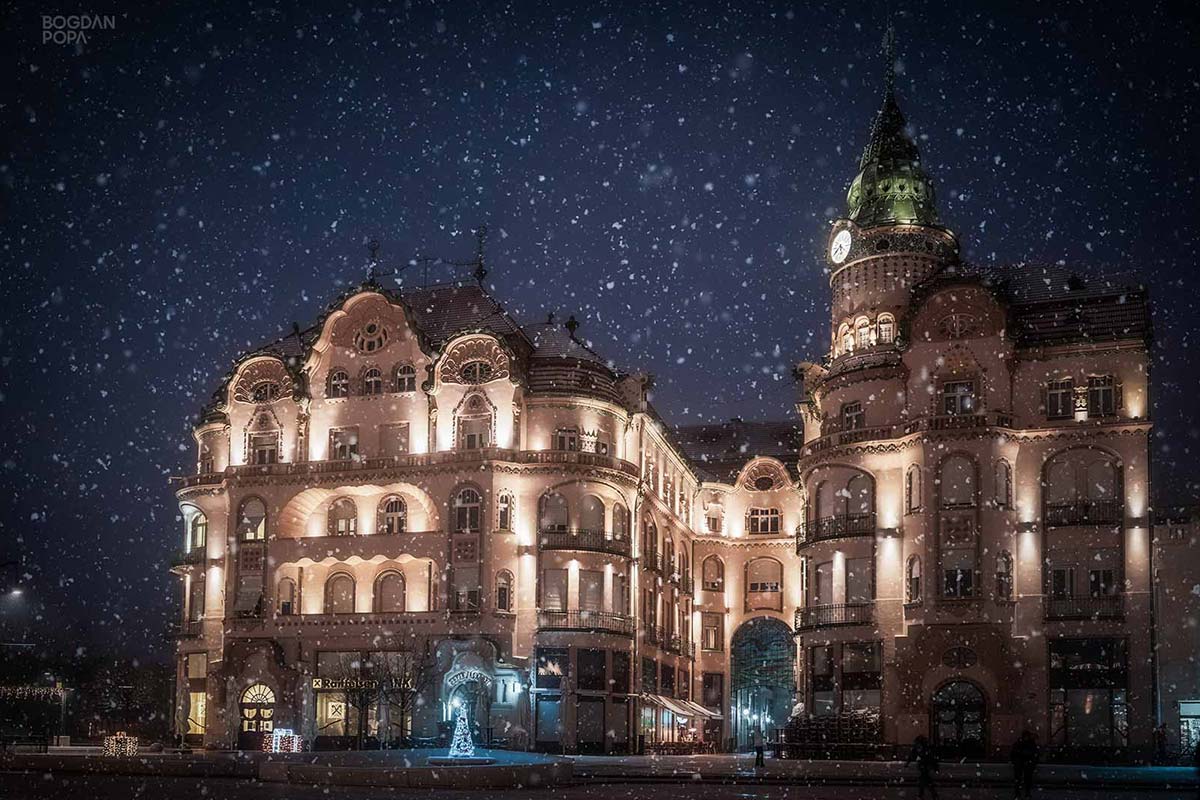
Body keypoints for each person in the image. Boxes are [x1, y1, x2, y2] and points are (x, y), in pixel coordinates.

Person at [906, 735, 939, 800]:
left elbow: (913, 754)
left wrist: (908, 763)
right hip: (924, 766)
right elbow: (932, 759)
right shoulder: (925, 748)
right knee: (925, 780)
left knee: (924, 780)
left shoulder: (921, 748)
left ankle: (924, 795)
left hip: (924, 766)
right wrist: (935, 768)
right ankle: (930, 794)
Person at [1010, 729, 1040, 800]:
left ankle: (1023, 793)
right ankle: (1022, 793)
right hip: (1023, 763)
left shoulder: (1023, 743)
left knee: (1024, 779)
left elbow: (1014, 753)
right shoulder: (1024, 743)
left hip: (1024, 763)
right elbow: (1034, 754)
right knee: (1022, 778)